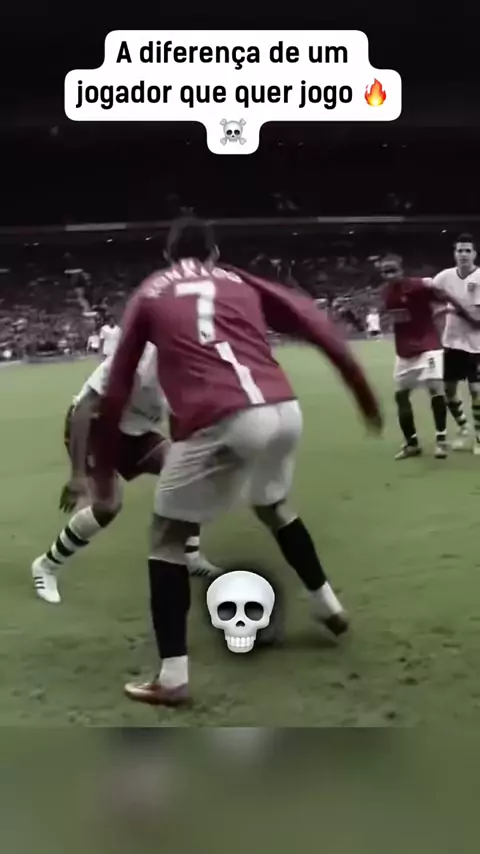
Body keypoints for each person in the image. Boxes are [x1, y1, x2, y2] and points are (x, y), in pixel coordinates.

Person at [92, 216, 383, 708]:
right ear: (213, 253)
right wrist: (361, 390)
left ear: (167, 255)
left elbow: (119, 382)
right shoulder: (239, 278)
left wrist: (103, 473)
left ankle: (172, 677)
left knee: (166, 539)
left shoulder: (151, 290)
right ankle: (327, 605)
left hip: (223, 415)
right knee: (274, 506)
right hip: (284, 409)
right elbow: (311, 320)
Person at [31, 342, 220, 604]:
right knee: (108, 506)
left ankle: (190, 556)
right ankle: (46, 565)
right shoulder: (135, 359)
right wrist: (77, 475)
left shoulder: (191, 370)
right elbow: (83, 409)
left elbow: (180, 418)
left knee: (188, 474)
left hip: (136, 431)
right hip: (96, 427)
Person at [380, 254, 480, 460]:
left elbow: (445, 296)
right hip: (404, 351)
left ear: (401, 270)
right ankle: (412, 444)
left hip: (428, 347)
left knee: (436, 391)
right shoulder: (386, 293)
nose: (389, 275)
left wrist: (468, 316)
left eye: (392, 270)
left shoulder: (419, 286)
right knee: (400, 396)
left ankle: (441, 442)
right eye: (385, 272)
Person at [432, 234, 480, 453]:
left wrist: (451, 309)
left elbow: (477, 319)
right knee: (449, 391)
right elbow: (429, 295)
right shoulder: (444, 277)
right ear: (454, 253)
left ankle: (479, 439)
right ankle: (464, 427)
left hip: (477, 345)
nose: (463, 254)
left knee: (476, 390)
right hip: (451, 343)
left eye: (467, 250)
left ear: (474, 254)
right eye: (460, 250)